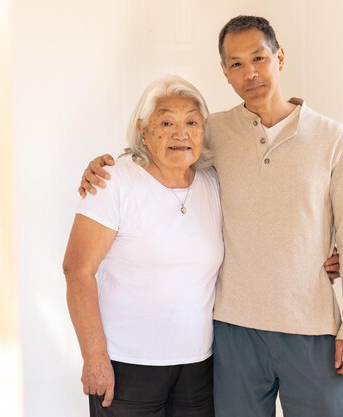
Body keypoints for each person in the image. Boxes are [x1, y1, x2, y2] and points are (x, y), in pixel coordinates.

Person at [78, 15, 343, 417]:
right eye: (236, 64)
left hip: (310, 325)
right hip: (232, 331)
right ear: (225, 73)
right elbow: (162, 146)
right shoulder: (212, 131)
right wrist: (102, 167)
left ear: (279, 57)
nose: (249, 72)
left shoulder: (334, 139)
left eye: (259, 58)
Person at [63, 75, 223, 417]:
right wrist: (94, 357)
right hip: (126, 366)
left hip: (198, 366)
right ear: (143, 130)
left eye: (192, 122)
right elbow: (77, 270)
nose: (181, 133)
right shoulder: (113, 181)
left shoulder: (214, 182)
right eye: (166, 122)